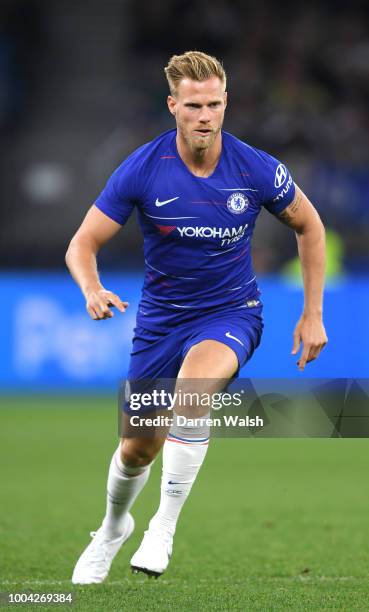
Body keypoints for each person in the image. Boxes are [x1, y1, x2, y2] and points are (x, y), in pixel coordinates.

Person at [66, 51, 327, 583]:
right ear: (173, 106)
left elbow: (311, 227)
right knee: (138, 447)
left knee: (193, 394)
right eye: (193, 105)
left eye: (214, 104)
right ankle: (114, 527)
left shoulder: (256, 168)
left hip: (231, 312)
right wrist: (91, 287)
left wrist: (312, 313)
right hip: (161, 321)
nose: (205, 115)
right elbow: (82, 244)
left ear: (225, 102)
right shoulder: (142, 168)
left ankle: (163, 526)